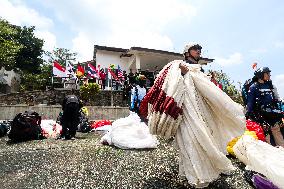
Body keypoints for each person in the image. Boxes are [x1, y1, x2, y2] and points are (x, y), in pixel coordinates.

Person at [139, 43, 245, 188]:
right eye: (196, 49)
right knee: (190, 141)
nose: (199, 52)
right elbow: (170, 84)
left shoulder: (199, 71)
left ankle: (209, 169)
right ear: (187, 52)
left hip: (201, 111)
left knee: (207, 139)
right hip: (186, 111)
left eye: (200, 50)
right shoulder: (179, 66)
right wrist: (181, 73)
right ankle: (196, 175)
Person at [246, 67, 284, 147]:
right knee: (266, 136)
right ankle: (271, 154)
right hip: (260, 116)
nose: (269, 75)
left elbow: (275, 100)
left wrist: (279, 115)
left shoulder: (270, 85)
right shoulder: (253, 87)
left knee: (276, 131)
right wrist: (250, 116)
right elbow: (250, 104)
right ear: (261, 75)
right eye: (267, 73)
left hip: (272, 114)